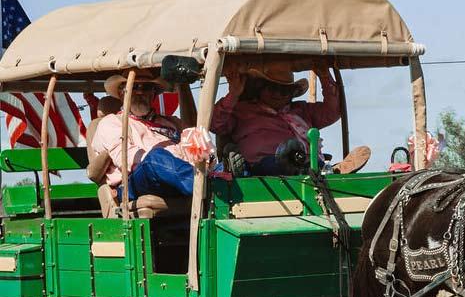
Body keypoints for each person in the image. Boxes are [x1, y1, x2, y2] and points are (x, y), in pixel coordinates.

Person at [211, 65, 370, 175]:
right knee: (275, 163)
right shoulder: (242, 110)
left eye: (284, 90)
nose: (278, 94)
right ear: (261, 88)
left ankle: (327, 170)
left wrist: (324, 76)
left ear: (292, 93)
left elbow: (333, 111)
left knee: (310, 163)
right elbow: (215, 124)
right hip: (262, 167)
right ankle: (327, 172)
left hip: (306, 161)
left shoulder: (302, 110)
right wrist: (233, 94)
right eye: (273, 88)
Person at [91, 70, 204, 201]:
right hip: (136, 180)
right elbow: (125, 157)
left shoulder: (172, 122)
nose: (140, 92)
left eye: (146, 87)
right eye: (134, 87)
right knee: (155, 157)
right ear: (122, 93)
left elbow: (195, 144)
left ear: (153, 94)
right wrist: (168, 162)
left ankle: (212, 180)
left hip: (175, 176)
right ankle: (205, 186)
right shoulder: (112, 122)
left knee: (221, 165)